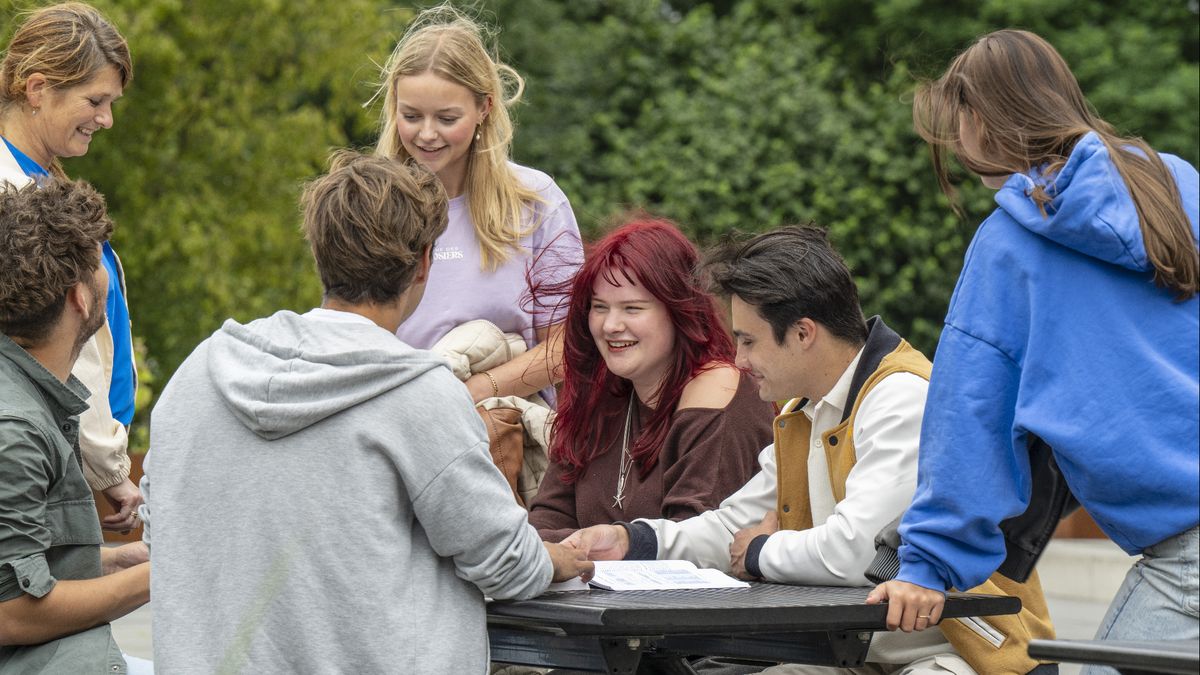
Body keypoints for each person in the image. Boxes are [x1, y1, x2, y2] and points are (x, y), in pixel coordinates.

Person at [140, 152, 592, 672]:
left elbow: (163, 529)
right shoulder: (418, 395)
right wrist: (554, 560)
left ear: (318, 253)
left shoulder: (200, 374)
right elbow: (502, 561)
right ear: (424, 262)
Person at [566, 226, 1054, 674]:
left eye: (749, 341)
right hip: (861, 652)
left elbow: (854, 551)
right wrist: (635, 542)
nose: (739, 360)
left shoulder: (901, 396)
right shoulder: (804, 409)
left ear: (802, 333)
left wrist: (758, 551)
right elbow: (731, 525)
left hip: (960, 655)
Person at [869, 29, 1200, 658]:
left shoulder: (1009, 246)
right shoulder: (1175, 185)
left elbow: (972, 415)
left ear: (979, 119)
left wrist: (928, 564)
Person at [374, 4, 583, 404]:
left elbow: (563, 348)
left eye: (447, 118)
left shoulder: (536, 201)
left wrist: (469, 393)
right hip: (396, 422)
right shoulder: (372, 206)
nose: (427, 134)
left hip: (503, 436)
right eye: (411, 116)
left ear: (484, 108)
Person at [527, 217, 772, 542]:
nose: (610, 325)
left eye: (632, 308)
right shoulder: (602, 393)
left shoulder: (718, 392)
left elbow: (692, 545)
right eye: (600, 307)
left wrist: (579, 553)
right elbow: (544, 523)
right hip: (591, 590)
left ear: (678, 312)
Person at [0, 1, 142, 532]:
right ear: (37, 90)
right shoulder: (11, 194)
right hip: (50, 454)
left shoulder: (40, 179)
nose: (106, 119)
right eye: (95, 100)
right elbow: (57, 341)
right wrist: (108, 468)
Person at [0, 179, 150, 673]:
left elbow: (24, 567)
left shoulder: (27, 392)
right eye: (98, 266)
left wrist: (111, 562)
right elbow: (9, 613)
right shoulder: (16, 430)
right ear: (81, 298)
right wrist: (160, 578)